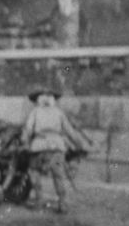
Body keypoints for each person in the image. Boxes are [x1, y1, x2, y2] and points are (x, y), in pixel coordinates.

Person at [16, 86, 94, 214]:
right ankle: (62, 204)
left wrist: (24, 142)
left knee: (34, 172)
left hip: (39, 147)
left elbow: (28, 130)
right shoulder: (59, 112)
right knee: (58, 175)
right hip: (57, 148)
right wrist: (80, 144)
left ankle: (39, 201)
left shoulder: (35, 112)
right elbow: (70, 131)